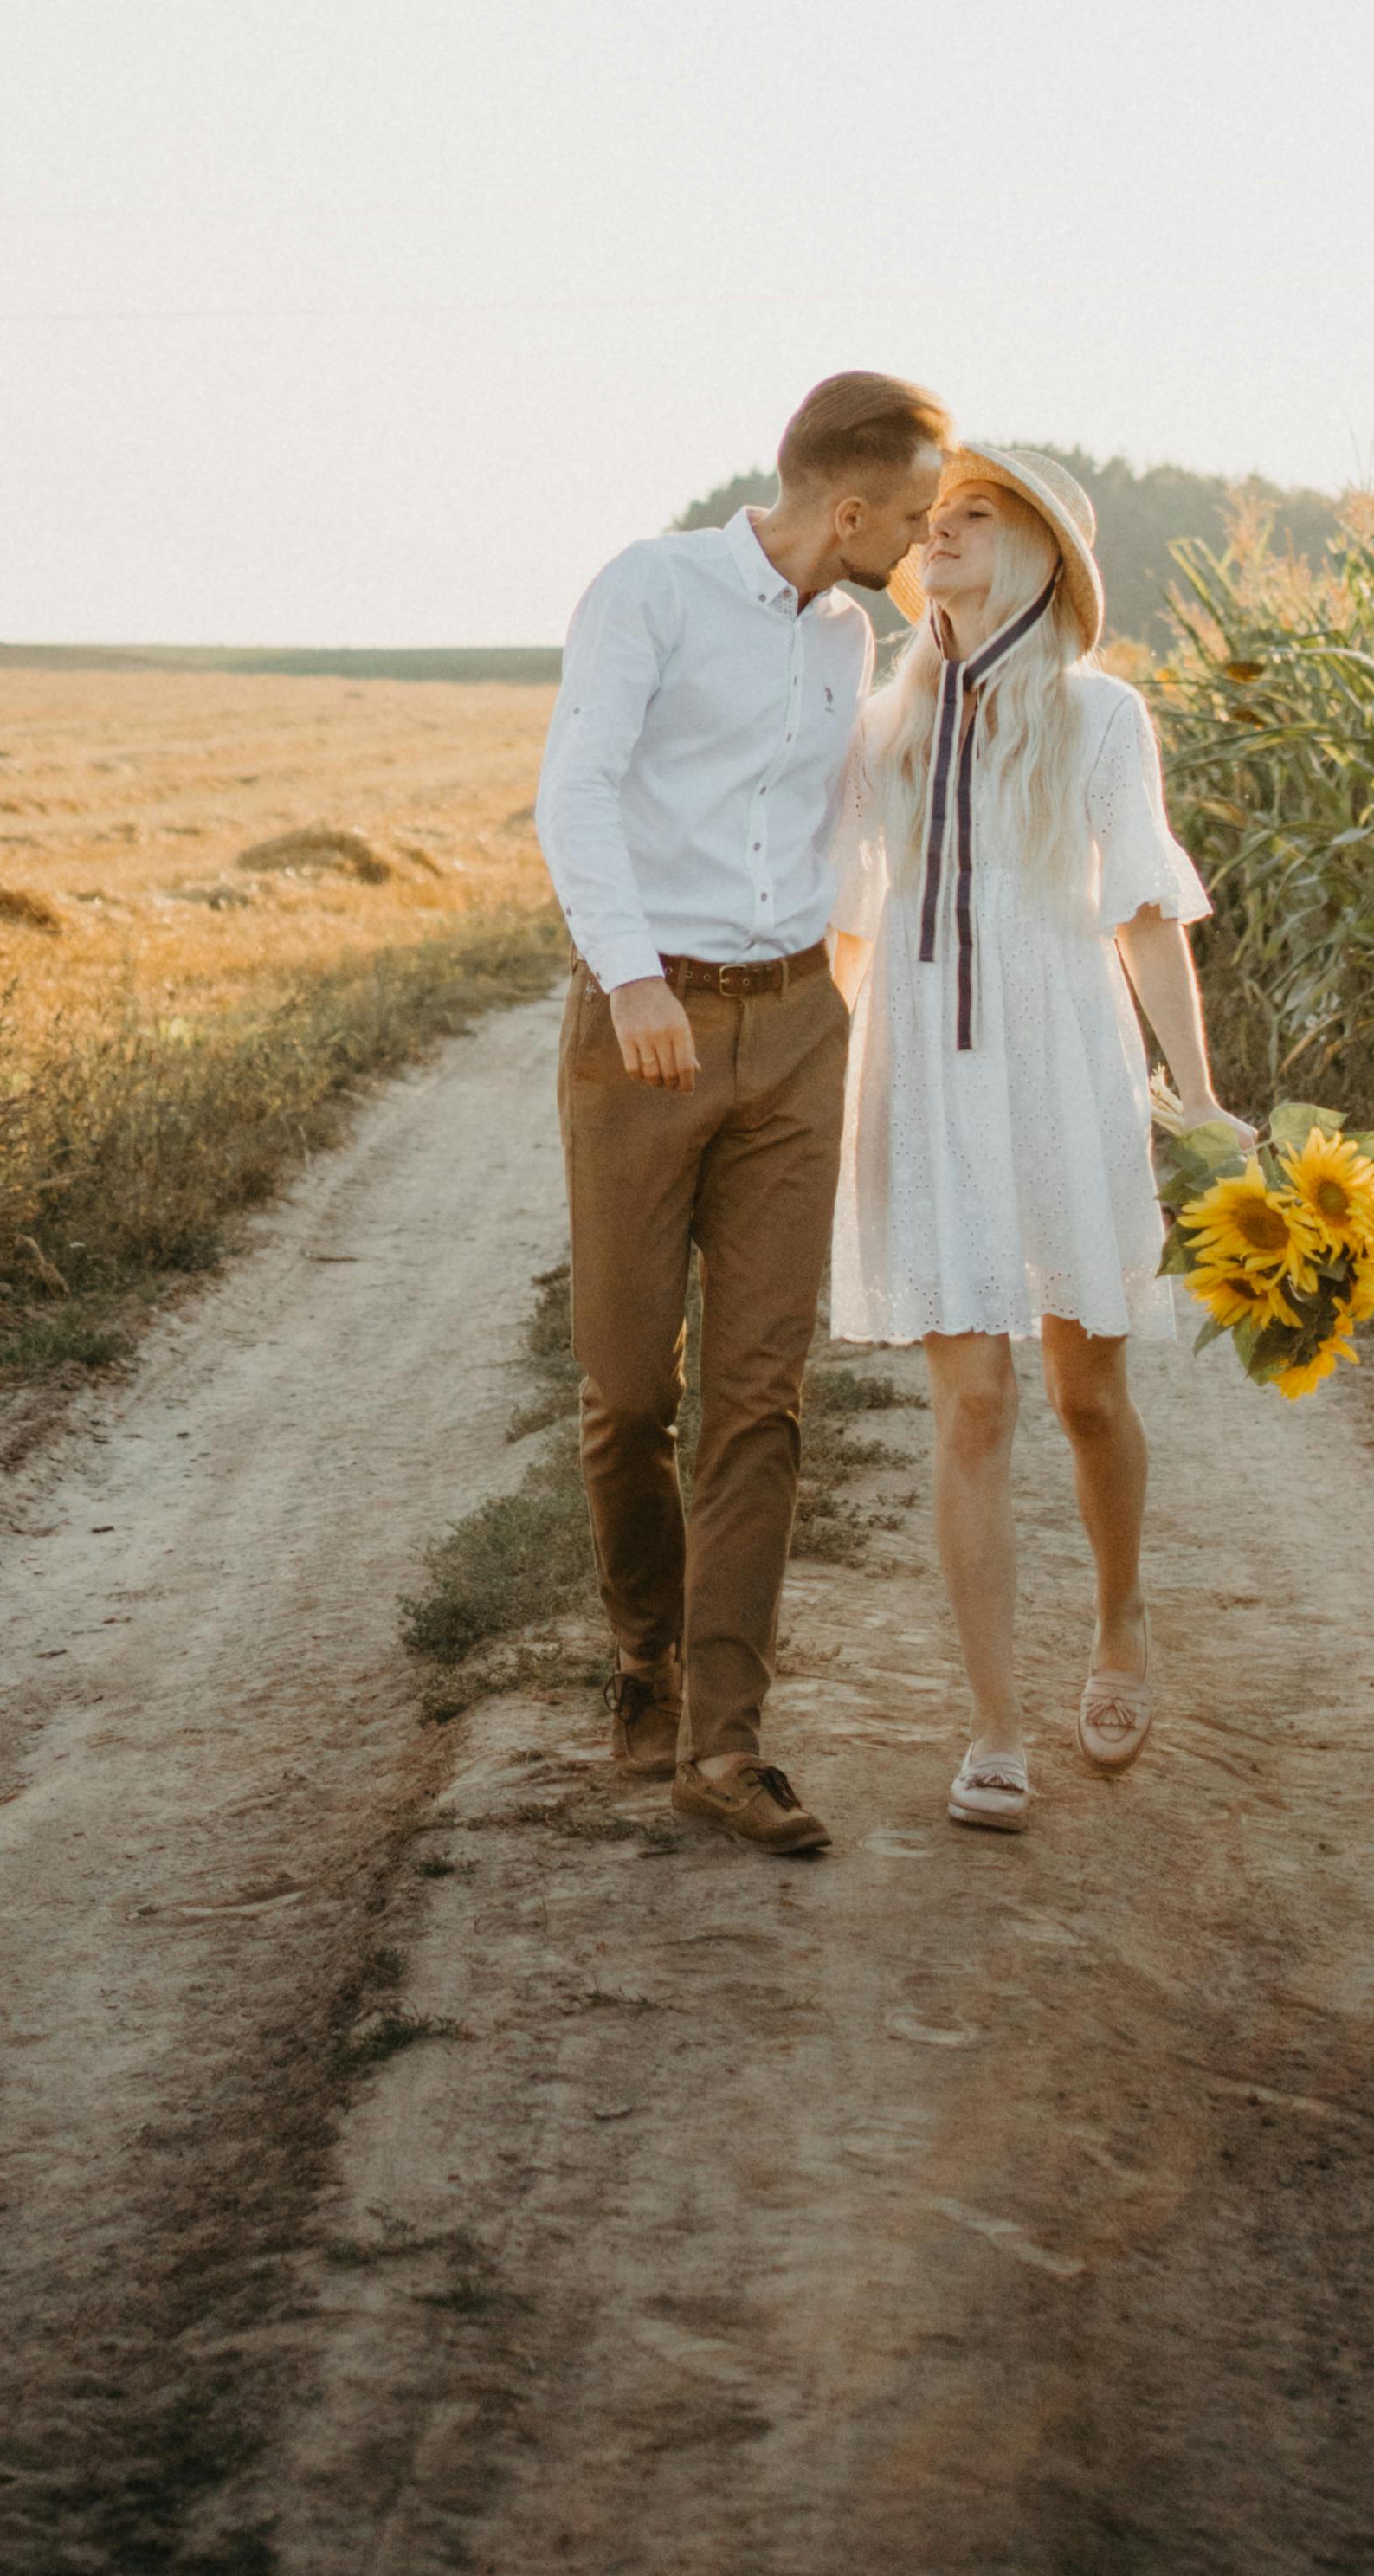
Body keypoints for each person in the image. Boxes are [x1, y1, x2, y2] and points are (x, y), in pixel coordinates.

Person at [533, 369, 951, 1856]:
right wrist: (634, 980)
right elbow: (575, 790)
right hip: (640, 1028)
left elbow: (847, 824)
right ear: (846, 508)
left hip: (791, 1031)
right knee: (630, 1388)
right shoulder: (649, 590)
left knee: (760, 1393)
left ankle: (725, 1742)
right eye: (906, 520)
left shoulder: (849, 638)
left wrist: (839, 990)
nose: (912, 548)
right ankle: (643, 1651)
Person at [829, 444, 1228, 1833]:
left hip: (1059, 1053)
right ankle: (995, 1722)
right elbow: (848, 916)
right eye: (928, 522)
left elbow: (1143, 912)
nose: (937, 534)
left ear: (1045, 549)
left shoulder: (1103, 719)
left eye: (972, 517)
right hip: (930, 1071)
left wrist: (1202, 1093)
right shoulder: (885, 726)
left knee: (1086, 1392)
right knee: (973, 1402)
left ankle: (1121, 1623)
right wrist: (873, 1062)